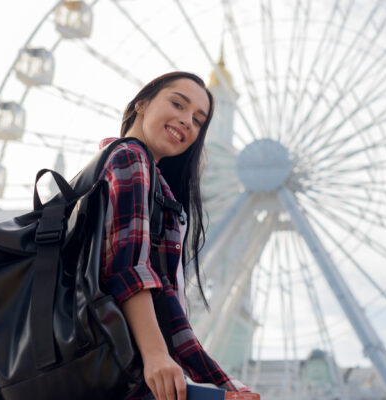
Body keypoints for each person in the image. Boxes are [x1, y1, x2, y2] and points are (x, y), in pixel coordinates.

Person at [98, 71, 250, 400]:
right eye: (178, 104)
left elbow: (168, 307)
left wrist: (226, 384)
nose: (186, 122)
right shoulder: (131, 157)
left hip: (119, 369)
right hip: (126, 370)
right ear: (142, 103)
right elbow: (130, 269)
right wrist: (155, 355)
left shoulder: (153, 183)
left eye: (198, 120)